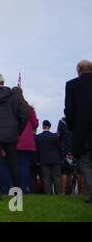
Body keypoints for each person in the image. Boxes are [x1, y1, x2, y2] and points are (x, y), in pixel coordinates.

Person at [64, 60, 92, 203]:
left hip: (81, 129)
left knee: (85, 162)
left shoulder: (72, 85)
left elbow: (69, 110)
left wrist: (71, 125)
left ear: (78, 70)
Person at [12, 86, 39, 194]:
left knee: (13, 166)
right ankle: (23, 188)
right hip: (27, 141)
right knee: (24, 166)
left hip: (13, 139)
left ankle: (14, 188)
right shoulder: (29, 109)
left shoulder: (10, 107)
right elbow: (35, 124)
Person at [35, 120, 62, 194]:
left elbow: (36, 150)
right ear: (50, 127)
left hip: (43, 160)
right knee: (57, 178)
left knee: (46, 178)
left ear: (43, 126)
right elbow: (60, 148)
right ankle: (58, 193)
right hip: (55, 160)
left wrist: (37, 160)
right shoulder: (55, 136)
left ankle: (48, 194)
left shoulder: (38, 137)